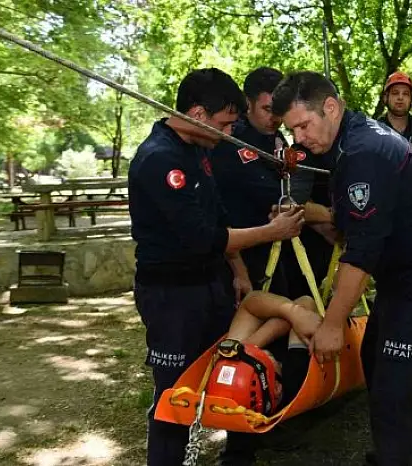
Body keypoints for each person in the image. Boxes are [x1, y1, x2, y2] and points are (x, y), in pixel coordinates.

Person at [271, 71, 412, 466]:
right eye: (292, 131)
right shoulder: (349, 140)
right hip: (403, 276)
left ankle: (398, 457)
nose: (300, 139)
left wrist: (331, 325)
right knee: (377, 363)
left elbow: (361, 252)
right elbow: (356, 226)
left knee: (392, 387)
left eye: (303, 126)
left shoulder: (363, 152)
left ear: (330, 107)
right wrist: (317, 218)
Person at [128, 68, 306, 466]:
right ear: (197, 113)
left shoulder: (198, 149)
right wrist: (270, 231)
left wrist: (239, 273)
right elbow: (203, 236)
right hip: (172, 295)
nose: (230, 132)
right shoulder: (160, 159)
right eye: (226, 123)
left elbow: (219, 214)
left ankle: (239, 457)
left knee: (235, 371)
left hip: (213, 284)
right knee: (175, 395)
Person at [210, 66, 332, 301]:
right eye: (267, 109)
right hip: (241, 253)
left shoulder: (274, 137)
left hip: (275, 247)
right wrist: (328, 216)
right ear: (248, 103)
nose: (274, 118)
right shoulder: (231, 141)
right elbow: (278, 197)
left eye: (278, 111)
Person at [206, 291, 322, 423]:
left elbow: (250, 302)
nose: (260, 353)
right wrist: (248, 349)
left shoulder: (230, 362)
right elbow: (306, 304)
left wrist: (245, 351)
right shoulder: (296, 375)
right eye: (259, 362)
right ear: (278, 387)